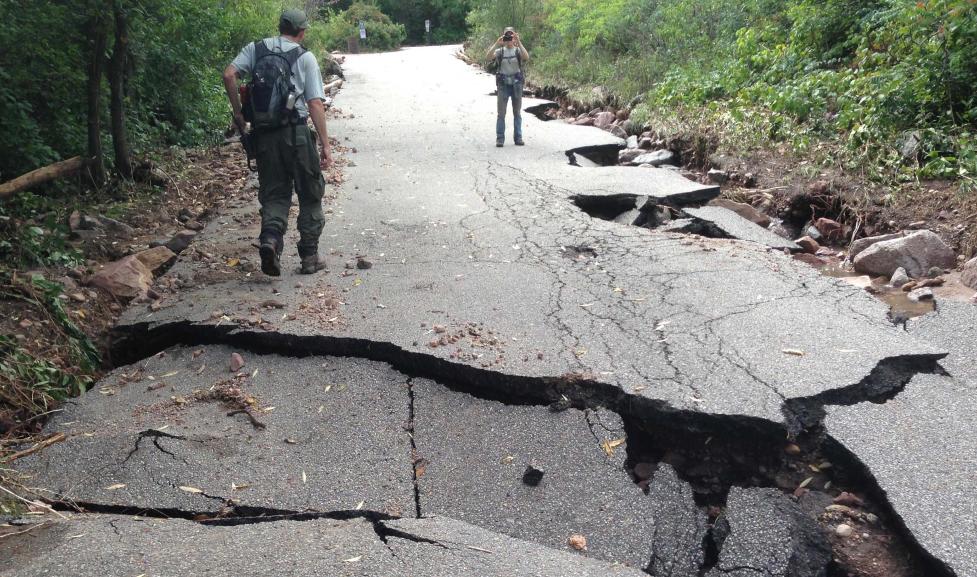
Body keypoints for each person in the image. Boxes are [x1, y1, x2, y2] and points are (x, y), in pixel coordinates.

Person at [222, 9, 332, 276]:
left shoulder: (256, 49)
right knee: (310, 193)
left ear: (279, 26)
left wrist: (239, 113)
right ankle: (309, 257)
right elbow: (315, 103)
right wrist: (325, 146)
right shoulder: (305, 57)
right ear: (302, 31)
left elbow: (228, 75)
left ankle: (270, 241)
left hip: (265, 137)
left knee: (274, 193)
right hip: (296, 135)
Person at [486, 27, 529, 147]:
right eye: (507, 36)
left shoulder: (517, 51)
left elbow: (526, 57)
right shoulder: (500, 51)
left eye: (511, 36)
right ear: (503, 37)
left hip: (516, 85)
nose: (509, 39)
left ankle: (518, 137)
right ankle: (500, 138)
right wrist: (496, 44)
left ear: (514, 36)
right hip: (503, 85)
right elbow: (488, 57)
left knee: (517, 112)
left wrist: (519, 42)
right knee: (501, 113)